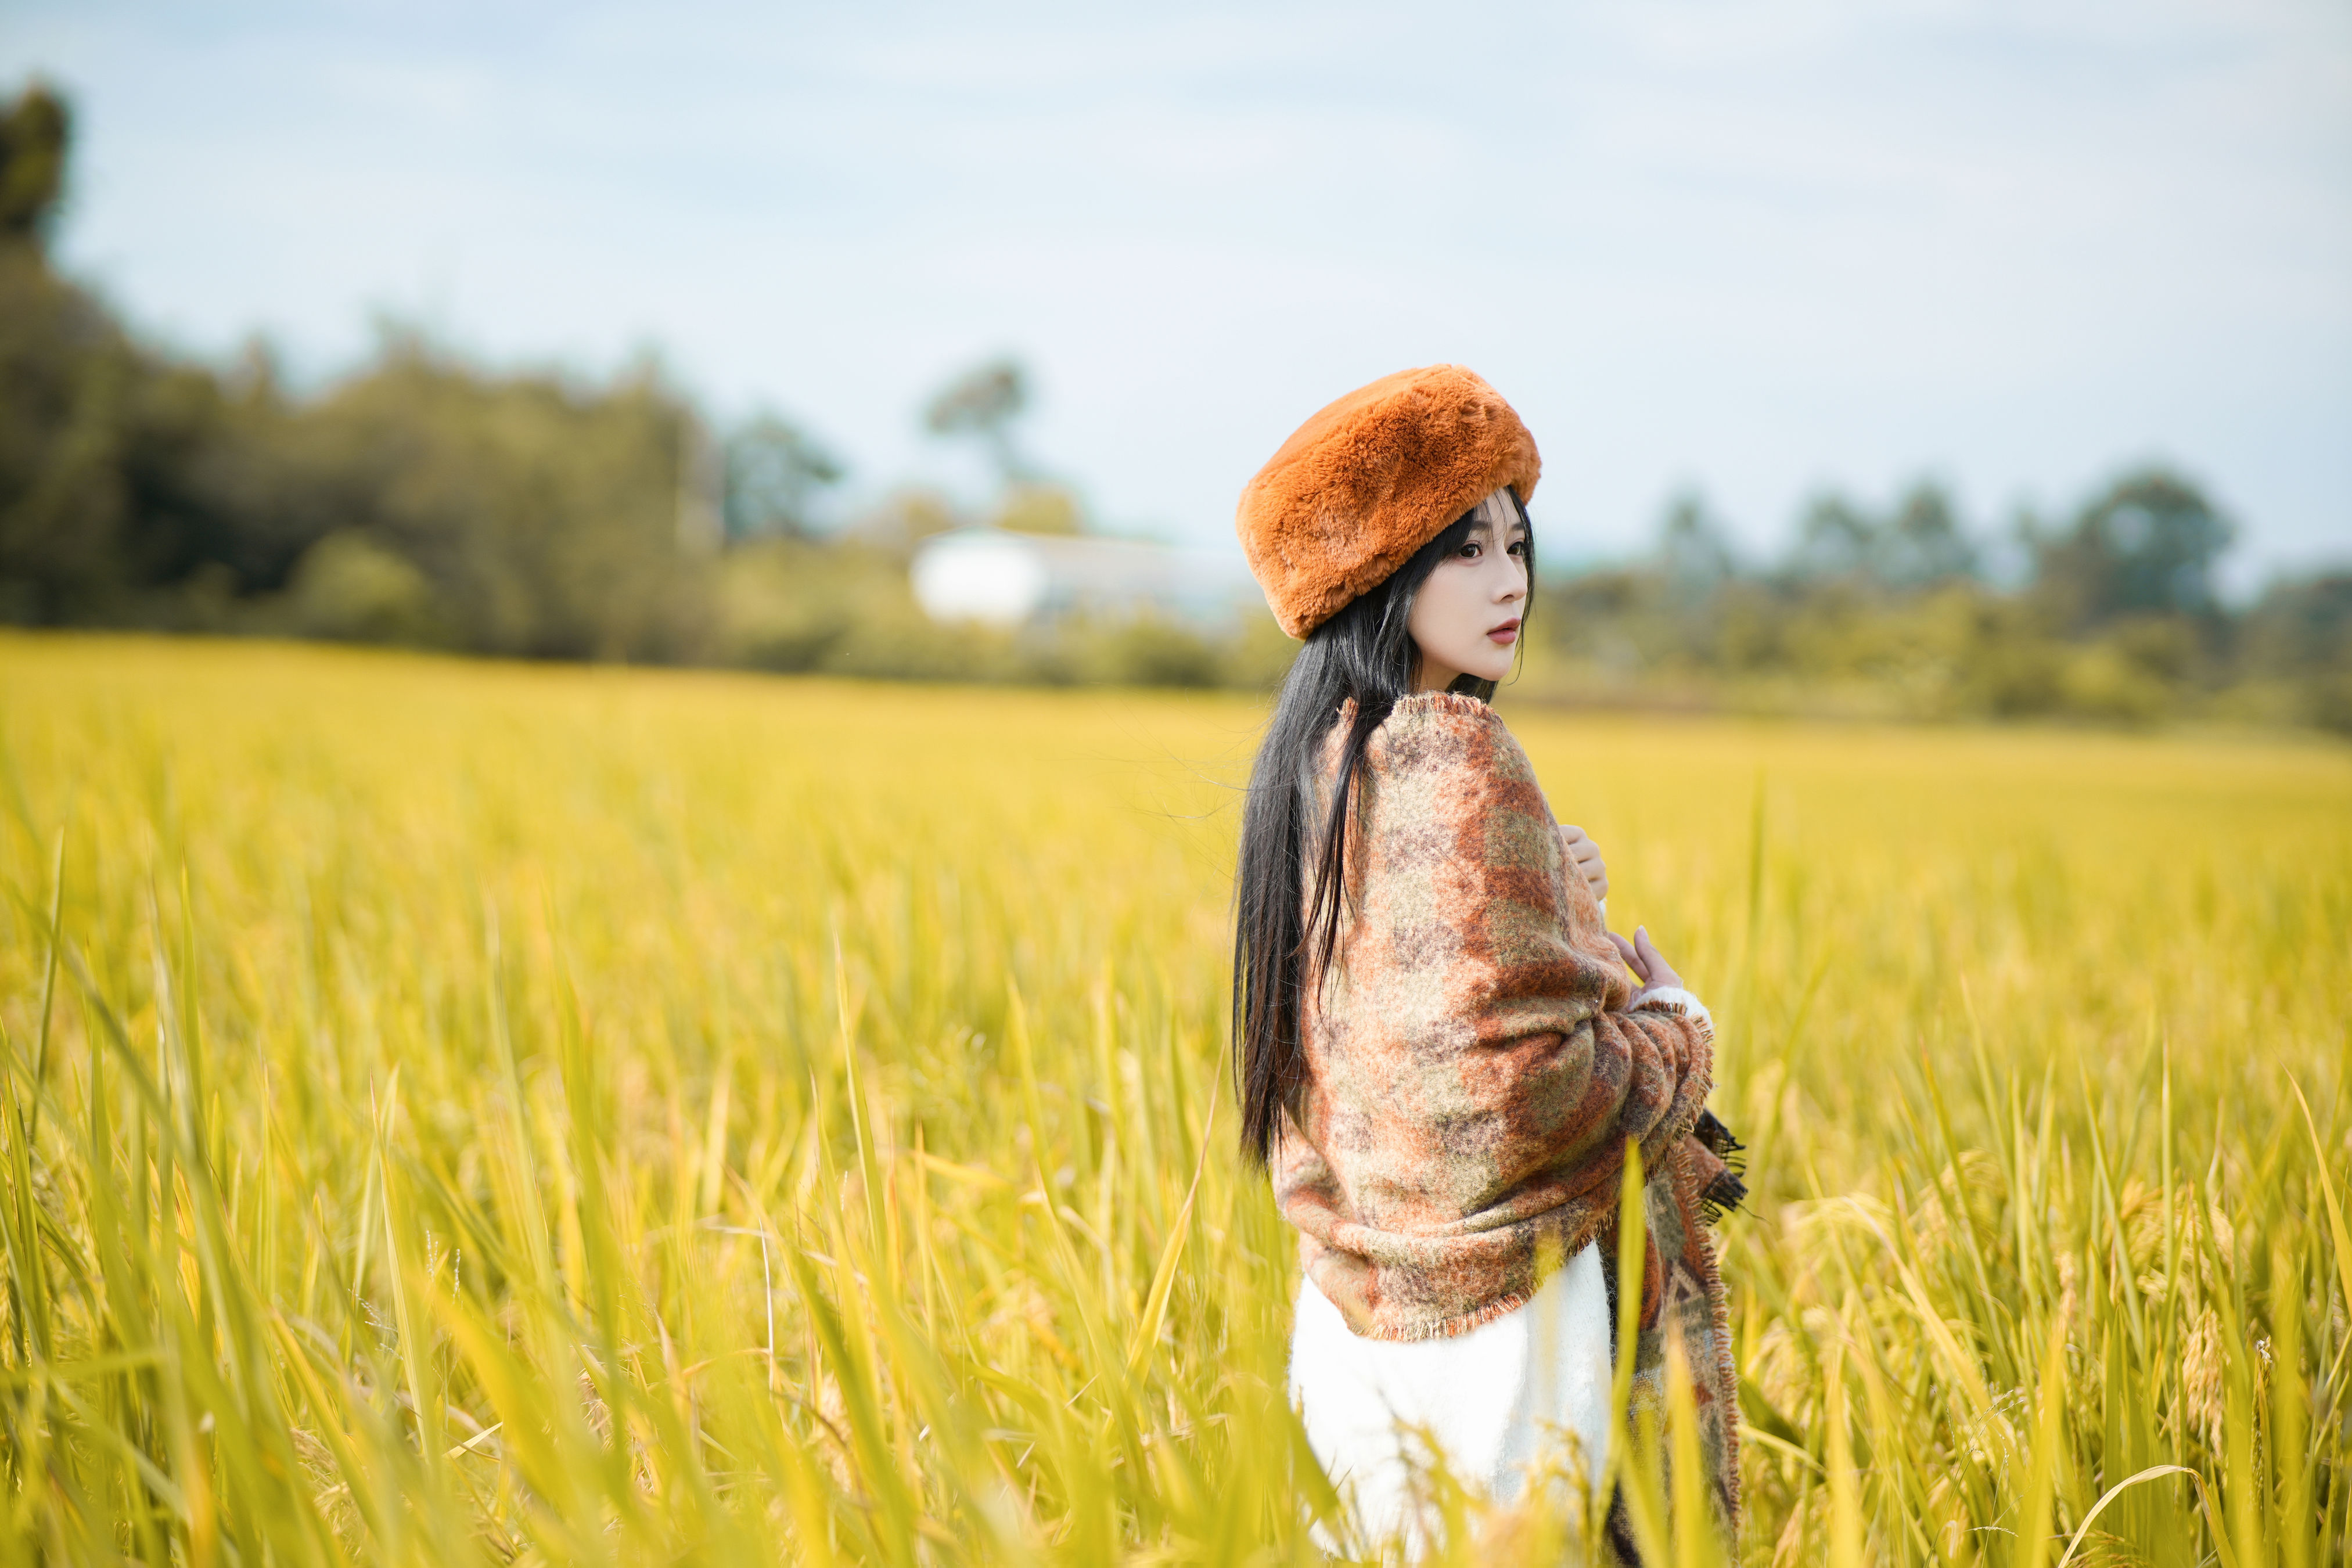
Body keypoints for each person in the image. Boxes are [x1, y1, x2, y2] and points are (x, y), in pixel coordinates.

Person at [1228, 365, 1745, 1556]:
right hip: (1510, 1325)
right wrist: (1674, 1019)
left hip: (1359, 1321)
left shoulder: (1316, 766)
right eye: (1464, 550)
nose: (1509, 581)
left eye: (1517, 544)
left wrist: (1557, 903)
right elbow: (1524, 1094)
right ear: (1378, 571)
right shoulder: (1465, 760)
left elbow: (1417, 1035)